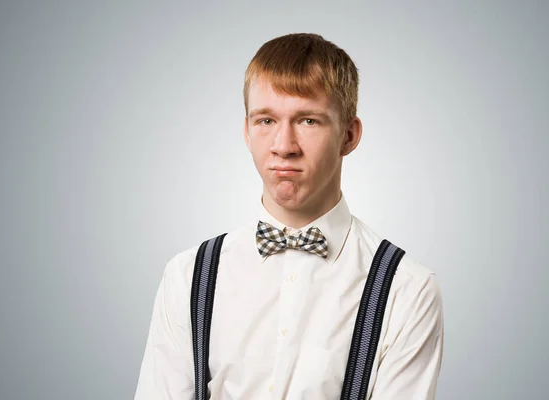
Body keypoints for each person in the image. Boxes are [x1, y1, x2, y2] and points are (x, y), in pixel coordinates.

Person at [134, 32, 444, 400]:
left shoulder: (406, 289)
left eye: (308, 121)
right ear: (246, 132)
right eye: (266, 121)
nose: (284, 146)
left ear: (348, 135)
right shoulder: (187, 276)